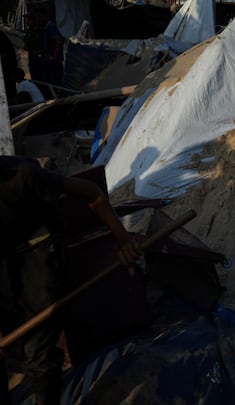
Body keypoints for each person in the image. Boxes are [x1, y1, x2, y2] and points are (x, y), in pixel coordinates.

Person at [1, 155, 142, 404]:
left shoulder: (23, 176)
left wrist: (123, 241)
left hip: (38, 246)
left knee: (38, 347)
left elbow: (91, 192)